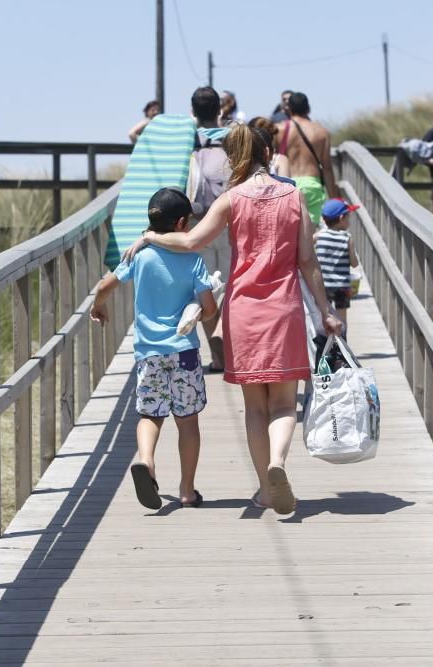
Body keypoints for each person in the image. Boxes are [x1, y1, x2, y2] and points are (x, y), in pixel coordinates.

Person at [123, 124, 343, 515]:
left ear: (233, 158)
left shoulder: (231, 199)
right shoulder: (293, 196)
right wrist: (326, 311)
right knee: (284, 405)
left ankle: (263, 487)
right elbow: (308, 261)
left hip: (243, 311)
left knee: (255, 408)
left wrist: (150, 236)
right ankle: (278, 463)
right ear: (267, 152)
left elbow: (191, 242)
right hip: (283, 308)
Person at [91, 188, 218, 510]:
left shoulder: (140, 255)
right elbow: (210, 309)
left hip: (149, 353)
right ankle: (187, 491)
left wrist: (98, 306)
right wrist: (200, 308)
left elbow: (105, 285)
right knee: (187, 422)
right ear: (181, 223)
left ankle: (146, 461)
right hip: (185, 352)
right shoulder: (193, 260)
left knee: (150, 414)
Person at [187, 86, 232, 373]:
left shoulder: (184, 141)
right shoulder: (232, 139)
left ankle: (218, 357)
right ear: (220, 110)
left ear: (193, 111)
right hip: (229, 222)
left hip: (195, 225)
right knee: (231, 289)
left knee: (204, 290)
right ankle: (231, 351)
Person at [279, 92, 340, 227]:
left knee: (291, 229)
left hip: (288, 184)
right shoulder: (321, 132)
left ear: (289, 109)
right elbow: (327, 168)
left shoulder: (280, 129)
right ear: (308, 109)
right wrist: (335, 198)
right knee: (310, 230)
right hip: (312, 184)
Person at [314, 198, 360, 328]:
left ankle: (325, 343)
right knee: (341, 318)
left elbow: (307, 246)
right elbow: (354, 263)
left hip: (323, 285)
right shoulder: (347, 238)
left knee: (324, 315)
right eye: (348, 217)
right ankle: (342, 342)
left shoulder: (319, 236)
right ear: (341, 218)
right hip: (342, 286)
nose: (349, 220)